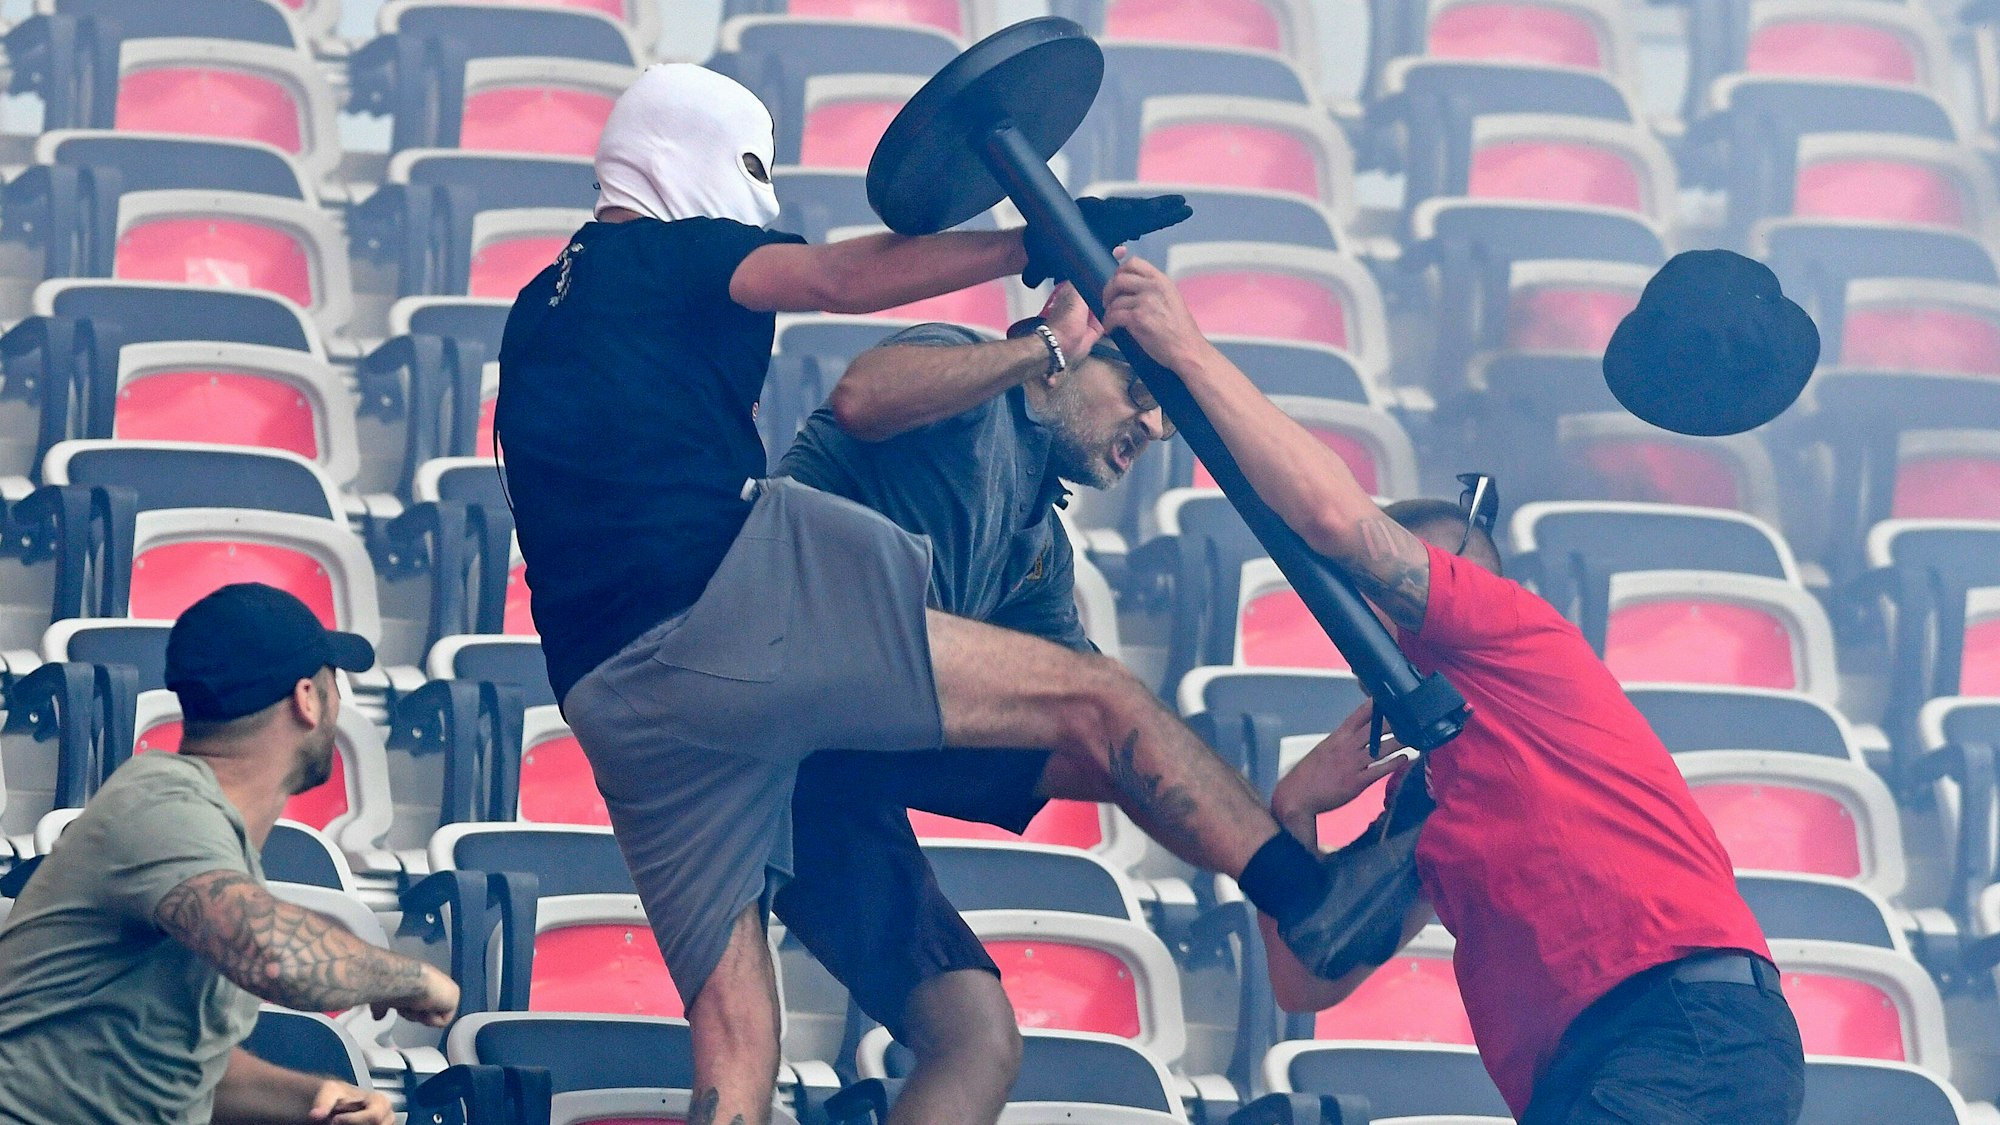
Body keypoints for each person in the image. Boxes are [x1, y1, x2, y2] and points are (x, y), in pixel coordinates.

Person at [497, 65, 1393, 1125]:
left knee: (744, 1049)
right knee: (1108, 706)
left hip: (614, 699)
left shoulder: (538, 307)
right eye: (752, 170)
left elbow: (1085, 751)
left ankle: (1288, 853)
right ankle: (1306, 899)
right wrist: (1032, 253)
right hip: (728, 612)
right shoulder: (658, 249)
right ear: (681, 154)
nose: (763, 202)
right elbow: (835, 285)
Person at [1096, 256, 1805, 1124]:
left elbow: (1333, 521)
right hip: (1619, 1061)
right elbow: (1309, 974)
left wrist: (1189, 353)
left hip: (1675, 1023)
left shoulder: (1513, 633)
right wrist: (1293, 808)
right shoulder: (1436, 793)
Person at [771, 282, 1171, 1124]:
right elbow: (860, 396)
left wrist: (1293, 812)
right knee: (737, 1030)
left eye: (1169, 414)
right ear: (1067, 354)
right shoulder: (969, 378)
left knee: (979, 1036)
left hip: (833, 777)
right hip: (754, 704)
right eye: (1140, 391)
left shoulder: (1041, 547)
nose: (1155, 426)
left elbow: (1099, 718)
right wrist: (1041, 348)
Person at [0, 583, 461, 1125]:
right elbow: (273, 955)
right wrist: (414, 978)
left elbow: (186, 1069)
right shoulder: (164, 804)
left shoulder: (201, 839)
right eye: (337, 685)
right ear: (308, 698)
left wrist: (313, 1098)